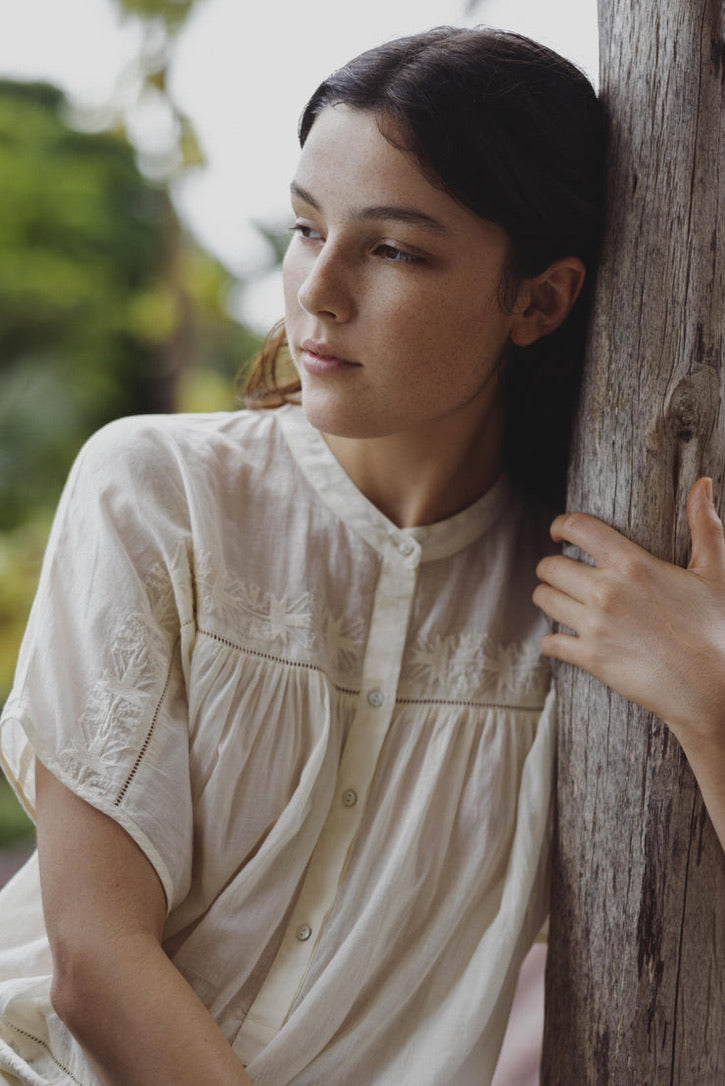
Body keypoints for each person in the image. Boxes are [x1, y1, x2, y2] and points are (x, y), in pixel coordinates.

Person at [0, 24, 723, 1086]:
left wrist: (712, 696)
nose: (316, 292)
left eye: (391, 249)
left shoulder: (584, 604)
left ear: (538, 299)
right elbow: (96, 970)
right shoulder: (159, 490)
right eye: (304, 228)